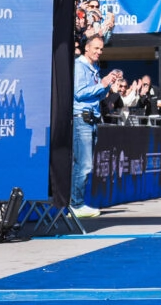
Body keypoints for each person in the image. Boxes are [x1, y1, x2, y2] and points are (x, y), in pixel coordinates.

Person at [70, 36, 120, 220]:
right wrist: (103, 83)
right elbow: (80, 93)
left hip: (91, 118)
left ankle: (77, 203)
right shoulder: (79, 66)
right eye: (96, 48)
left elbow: (97, 95)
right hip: (81, 118)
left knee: (84, 164)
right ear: (86, 48)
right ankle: (75, 204)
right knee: (83, 164)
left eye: (101, 49)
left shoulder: (93, 68)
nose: (99, 52)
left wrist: (108, 86)